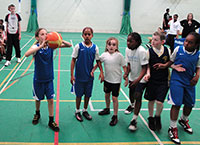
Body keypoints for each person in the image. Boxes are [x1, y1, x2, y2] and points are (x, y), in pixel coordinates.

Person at [25, 28, 72, 132]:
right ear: (37, 37)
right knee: (38, 99)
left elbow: (69, 45)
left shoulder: (51, 46)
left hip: (49, 79)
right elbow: (27, 54)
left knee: (50, 100)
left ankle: (51, 120)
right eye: (42, 34)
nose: (45, 36)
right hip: (38, 79)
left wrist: (59, 39)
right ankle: (37, 113)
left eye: (46, 34)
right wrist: (40, 46)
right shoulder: (36, 47)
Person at [157, 32, 200, 144]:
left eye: (190, 42)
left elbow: (198, 67)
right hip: (177, 80)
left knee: (190, 104)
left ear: (196, 45)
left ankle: (183, 120)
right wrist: (167, 66)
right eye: (186, 40)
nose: (186, 43)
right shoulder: (178, 50)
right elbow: (170, 62)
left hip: (190, 82)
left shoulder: (198, 54)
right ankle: (172, 128)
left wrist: (197, 76)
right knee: (176, 104)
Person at [70, 27, 104, 122]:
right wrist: (72, 75)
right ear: (82, 35)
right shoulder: (78, 46)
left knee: (88, 95)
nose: (87, 36)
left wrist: (101, 72)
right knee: (79, 95)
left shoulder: (95, 48)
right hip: (79, 77)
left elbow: (98, 61)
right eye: (85, 34)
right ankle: (77, 111)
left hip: (89, 77)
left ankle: (85, 110)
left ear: (92, 35)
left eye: (89, 34)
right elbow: (73, 60)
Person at [91, 37, 127, 126]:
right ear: (107, 46)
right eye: (109, 44)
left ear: (116, 47)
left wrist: (126, 77)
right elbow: (98, 63)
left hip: (116, 81)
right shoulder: (104, 55)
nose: (111, 46)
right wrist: (93, 70)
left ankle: (115, 115)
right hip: (107, 80)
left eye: (114, 45)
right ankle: (107, 108)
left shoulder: (119, 56)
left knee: (114, 98)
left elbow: (124, 67)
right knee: (107, 94)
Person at [143, 31, 171, 131]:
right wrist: (148, 73)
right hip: (152, 80)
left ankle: (157, 117)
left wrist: (171, 66)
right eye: (152, 39)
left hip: (164, 80)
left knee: (160, 102)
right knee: (151, 100)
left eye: (155, 40)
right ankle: (151, 117)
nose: (153, 41)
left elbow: (169, 62)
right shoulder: (149, 51)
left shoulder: (167, 50)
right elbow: (147, 65)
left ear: (162, 41)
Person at [123, 32, 148, 131]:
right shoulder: (127, 50)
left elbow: (144, 68)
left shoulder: (141, 51)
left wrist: (138, 80)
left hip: (141, 78)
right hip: (133, 77)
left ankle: (134, 120)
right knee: (131, 94)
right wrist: (126, 73)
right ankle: (132, 105)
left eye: (131, 41)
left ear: (137, 42)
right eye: (127, 41)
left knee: (138, 96)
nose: (128, 43)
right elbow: (128, 64)